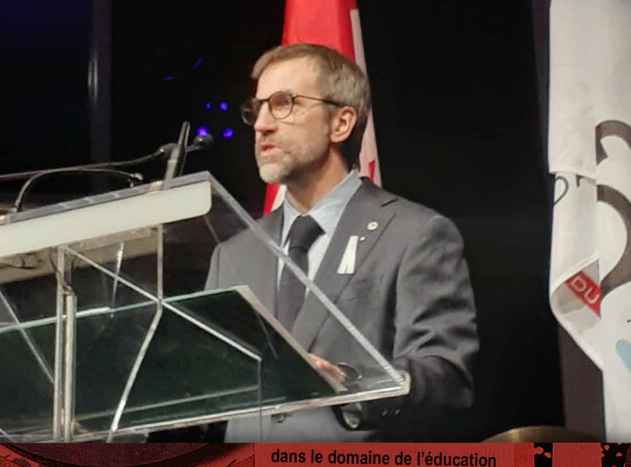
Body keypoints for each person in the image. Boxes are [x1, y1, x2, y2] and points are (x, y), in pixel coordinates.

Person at [205, 42, 478, 442]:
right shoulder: (232, 255)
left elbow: (445, 376)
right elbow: (208, 394)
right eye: (258, 107)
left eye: (283, 103)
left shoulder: (415, 234)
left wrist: (353, 383)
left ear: (341, 124)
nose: (262, 123)